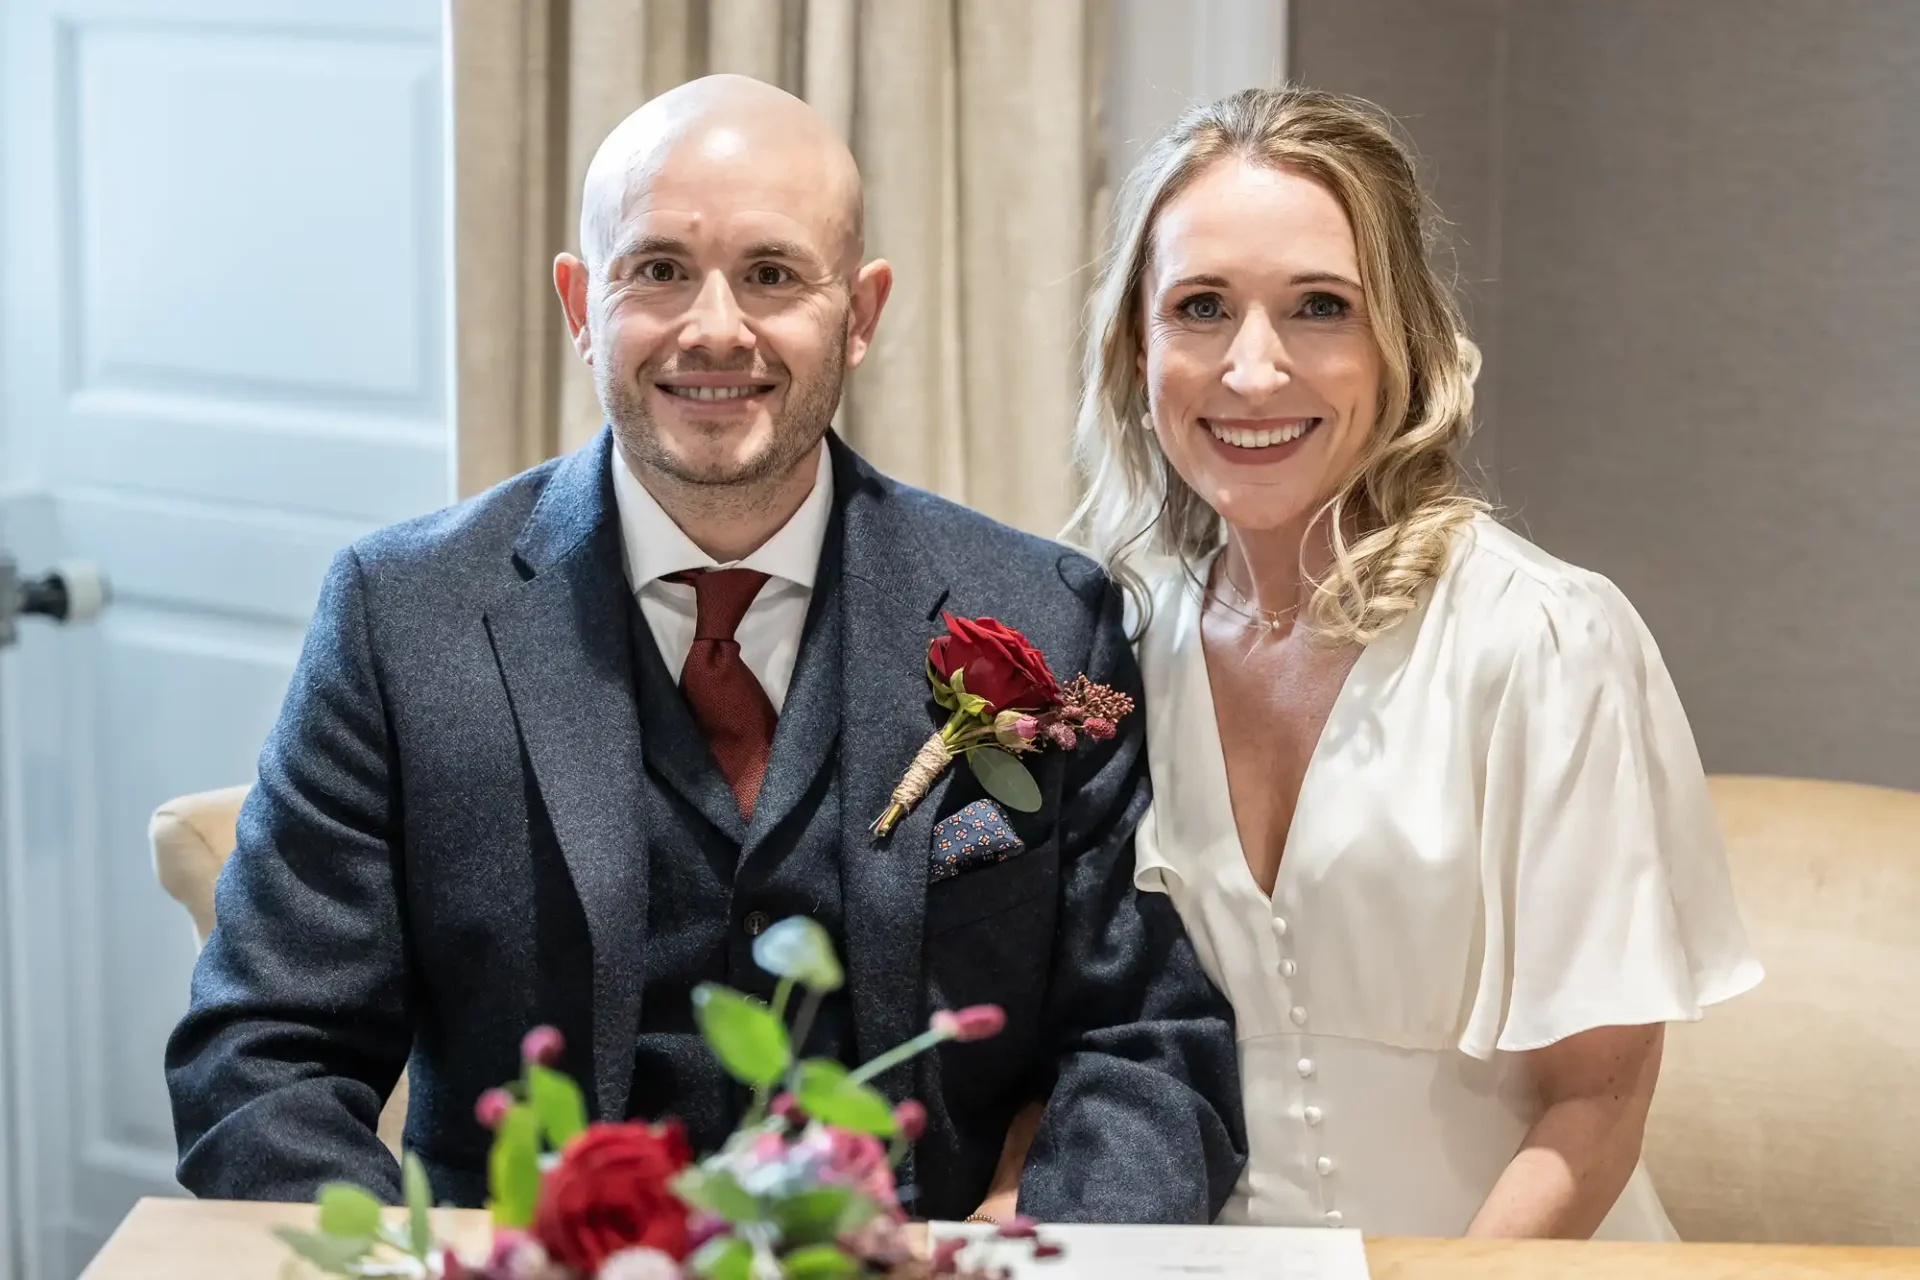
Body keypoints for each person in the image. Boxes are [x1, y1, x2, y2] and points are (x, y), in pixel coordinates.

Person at [166, 74, 1245, 1223]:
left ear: (862, 312)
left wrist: (1027, 1251)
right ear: (582, 303)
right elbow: (266, 1054)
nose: (715, 326)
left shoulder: (1043, 612)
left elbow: (1147, 1048)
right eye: (660, 269)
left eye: (773, 274)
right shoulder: (402, 616)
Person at [1063, 85, 1762, 1238]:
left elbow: (1596, 1096)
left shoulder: (1542, 641)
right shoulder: (1118, 646)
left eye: (1319, 307)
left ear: (1401, 341)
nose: (1251, 370)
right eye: (1200, 306)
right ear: (1137, 345)